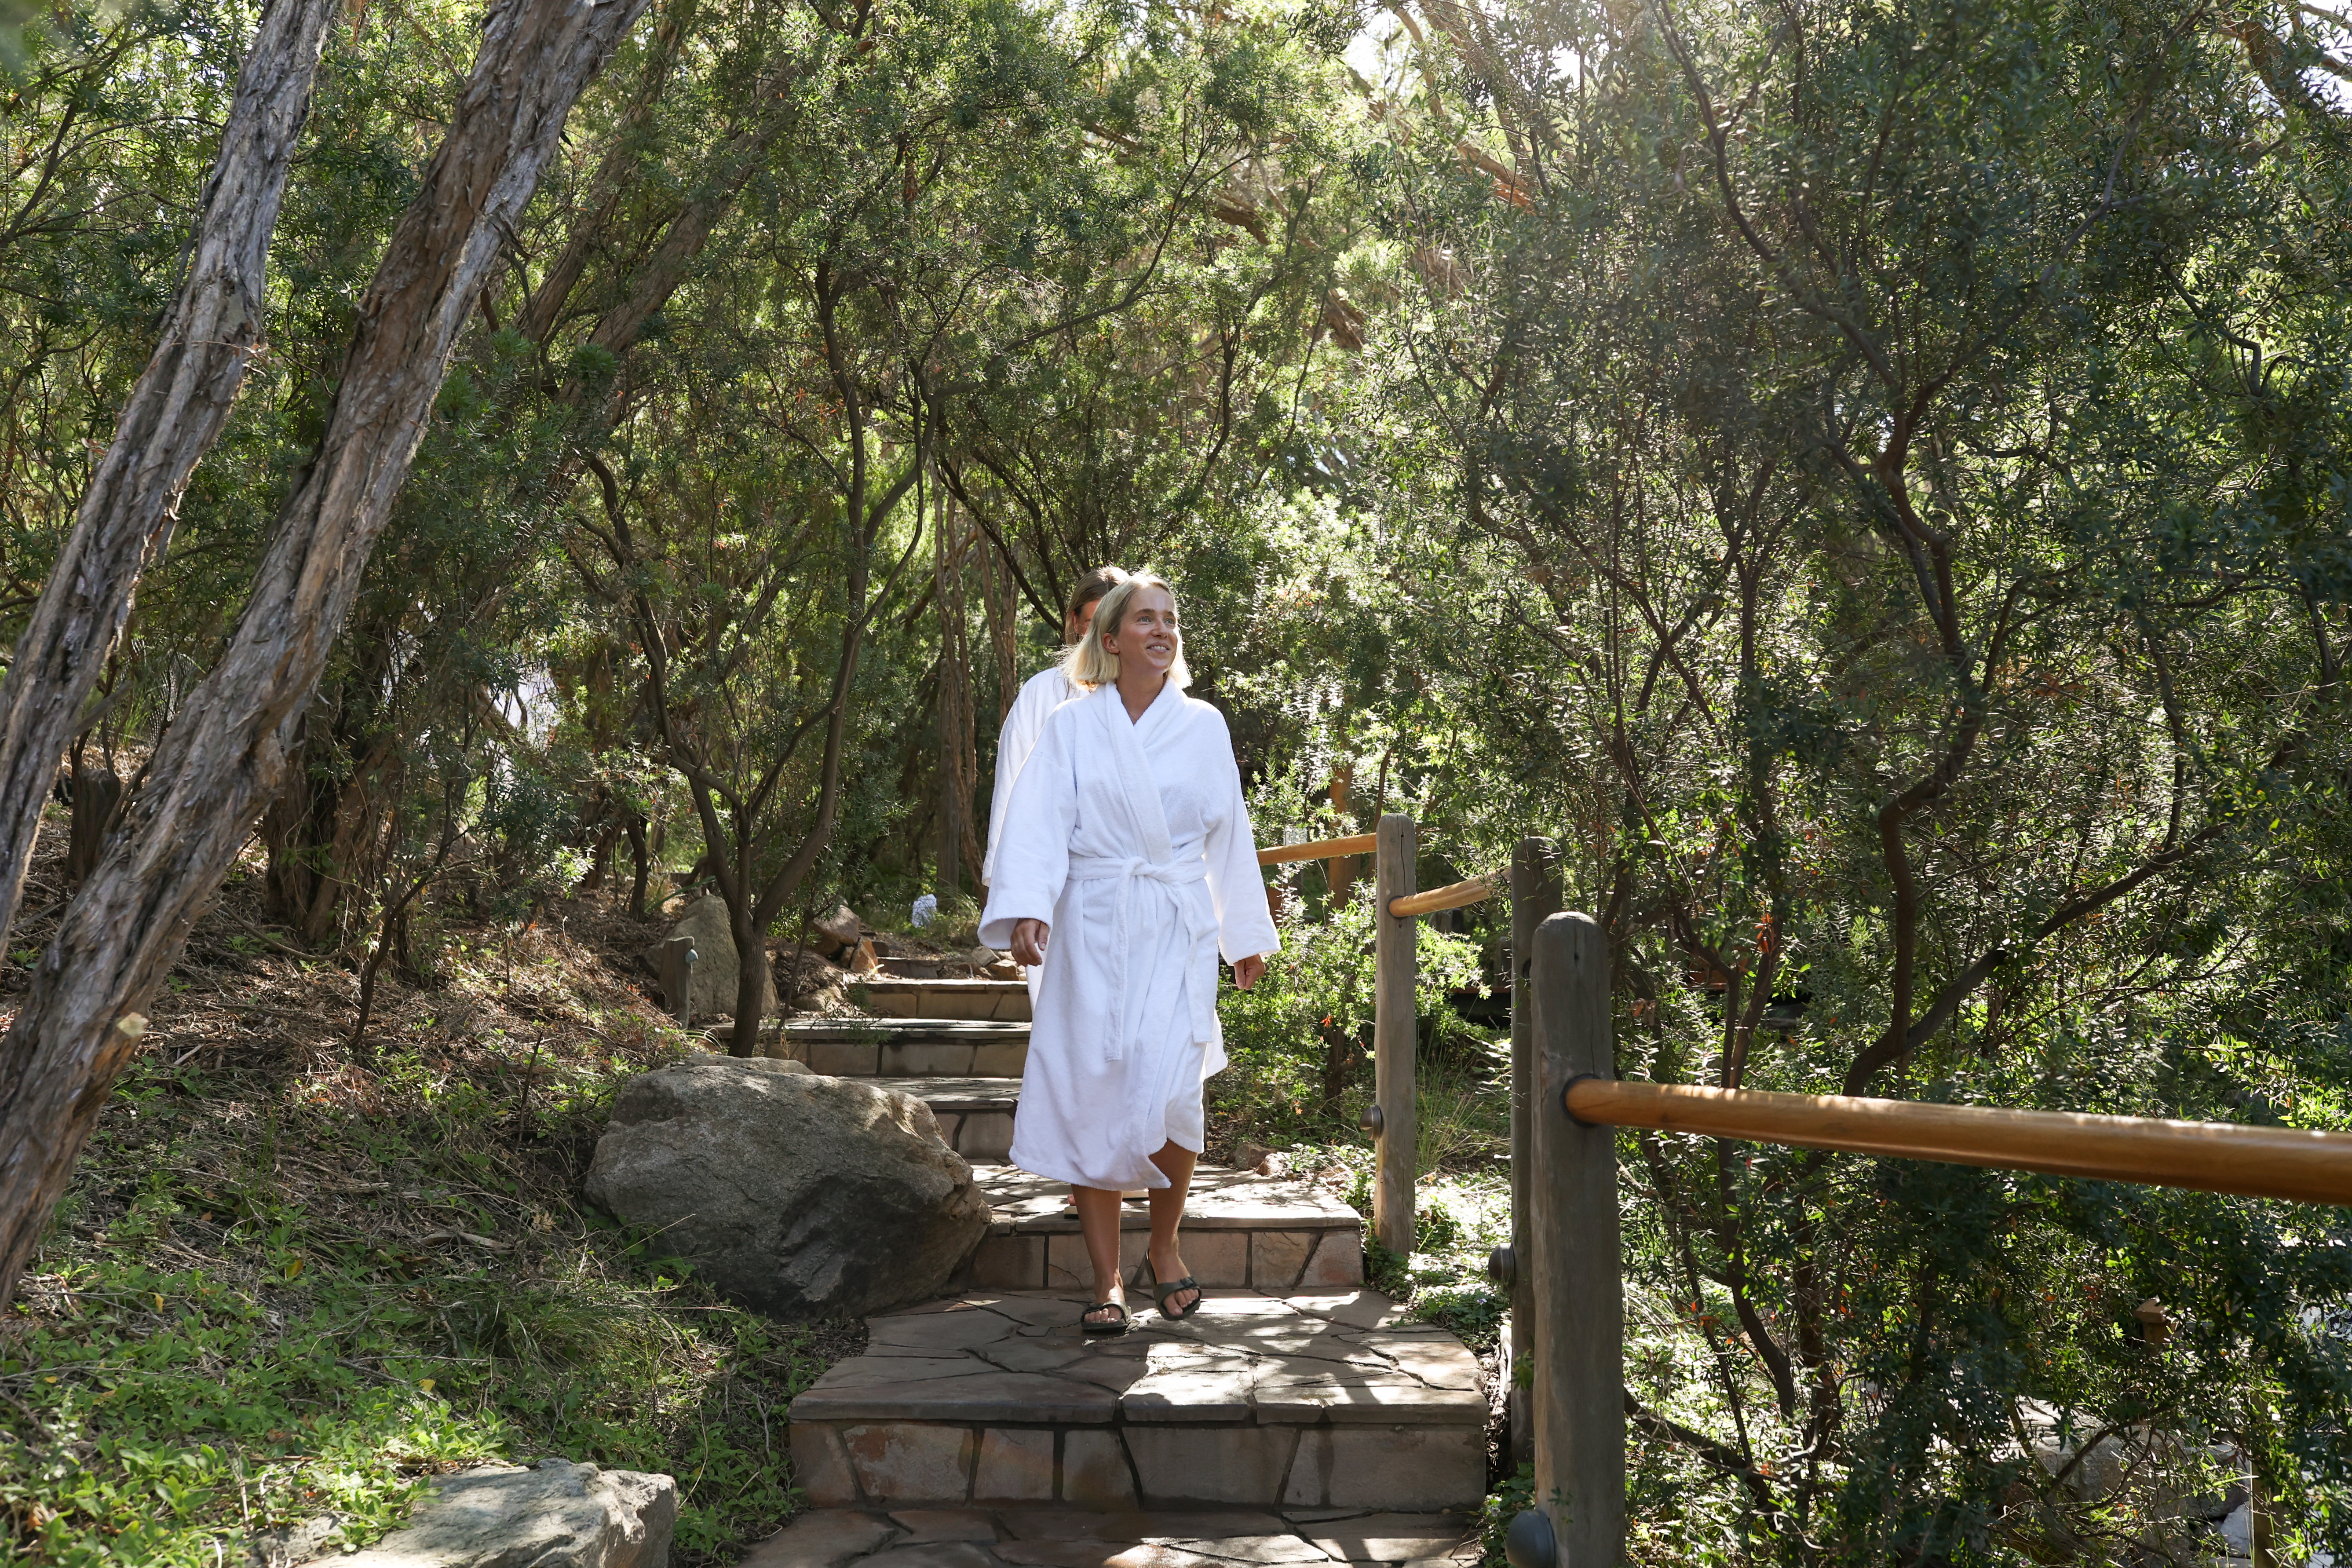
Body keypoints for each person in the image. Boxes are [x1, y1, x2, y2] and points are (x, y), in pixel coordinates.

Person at [979, 573, 1277, 1334]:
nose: (1162, 630)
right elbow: (1039, 821)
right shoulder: (1073, 727)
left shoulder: (1204, 724)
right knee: (1098, 1091)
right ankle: (1106, 1277)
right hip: (1096, 923)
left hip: (1175, 931)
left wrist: (1242, 935)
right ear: (1108, 640)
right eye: (1145, 619)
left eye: (1170, 620)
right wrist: (1024, 910)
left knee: (1178, 1089)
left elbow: (1229, 834)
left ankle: (1167, 1248)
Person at [982, 566, 1130, 891]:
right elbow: (1011, 785)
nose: (1103, 638)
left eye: (1113, 625)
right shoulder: (1041, 694)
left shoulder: (1149, 700)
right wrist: (1006, 881)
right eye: (1092, 624)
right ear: (1075, 622)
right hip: (1054, 878)